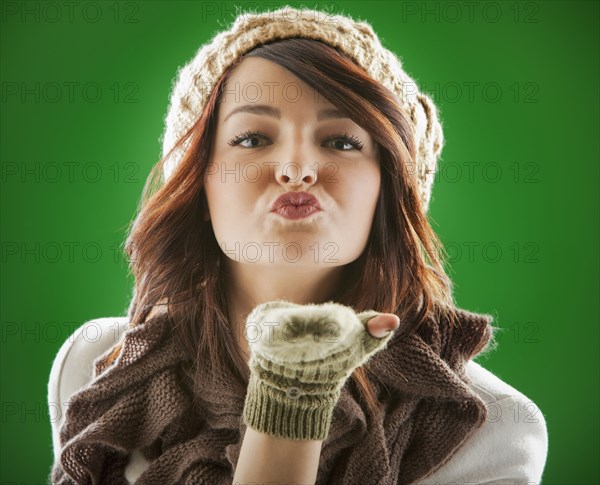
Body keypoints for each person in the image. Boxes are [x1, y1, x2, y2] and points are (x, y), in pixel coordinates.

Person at [48, 5, 548, 484]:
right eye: (252, 138)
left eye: (341, 142)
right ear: (199, 183)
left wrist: (291, 399)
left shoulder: (489, 427)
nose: (296, 169)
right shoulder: (99, 365)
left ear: (390, 187)